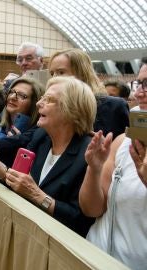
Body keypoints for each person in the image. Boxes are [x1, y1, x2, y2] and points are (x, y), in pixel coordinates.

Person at [0, 76, 97, 236]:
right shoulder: (41, 138)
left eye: (48, 100)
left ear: (72, 109)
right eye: (42, 98)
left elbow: (81, 221)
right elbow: (20, 185)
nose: (38, 104)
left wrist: (39, 196)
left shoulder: (89, 153)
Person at [79, 58, 147, 270]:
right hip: (93, 257)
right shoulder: (122, 142)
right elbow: (92, 210)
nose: (138, 94)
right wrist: (94, 168)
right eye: (139, 84)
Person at [48, 48, 129, 139]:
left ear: (82, 74)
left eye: (61, 72)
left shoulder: (114, 107)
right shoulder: (50, 107)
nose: (53, 79)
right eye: (52, 74)